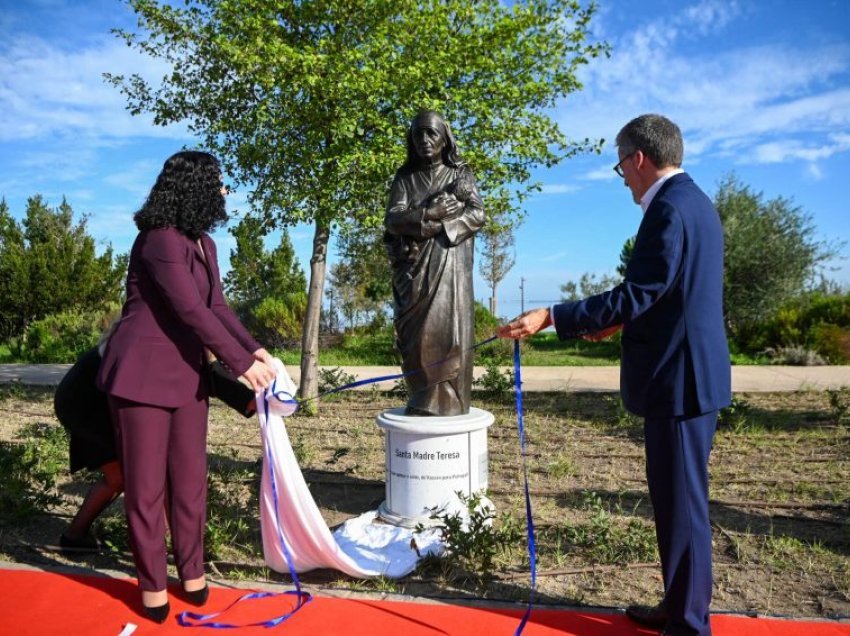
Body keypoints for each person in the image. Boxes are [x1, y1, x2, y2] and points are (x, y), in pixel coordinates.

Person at [498, 114, 731, 636]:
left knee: (685, 509)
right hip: (688, 377)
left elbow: (641, 290)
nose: (622, 175)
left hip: (680, 382)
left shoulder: (669, 209)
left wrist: (552, 315)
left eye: (620, 164)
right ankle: (679, 605)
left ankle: (690, 626)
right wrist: (619, 321)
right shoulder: (694, 202)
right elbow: (668, 292)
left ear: (638, 159)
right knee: (676, 504)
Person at [96, 150, 277, 623]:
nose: (224, 191)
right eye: (217, 182)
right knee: (146, 488)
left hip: (187, 379)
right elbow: (189, 311)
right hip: (140, 378)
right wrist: (239, 365)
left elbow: (216, 307)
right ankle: (153, 583)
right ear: (193, 186)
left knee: (192, 483)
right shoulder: (158, 240)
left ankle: (192, 572)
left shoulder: (204, 243)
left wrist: (254, 350)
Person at [384, 110, 485, 416]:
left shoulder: (460, 175)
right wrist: (429, 214)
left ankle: (449, 400)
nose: (424, 141)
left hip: (449, 270)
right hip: (413, 274)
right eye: (418, 135)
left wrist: (441, 228)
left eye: (431, 134)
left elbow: (478, 215)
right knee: (416, 342)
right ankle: (422, 398)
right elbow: (392, 219)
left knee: (446, 333)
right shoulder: (405, 178)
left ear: (445, 139)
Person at [54, 331, 122, 554]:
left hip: (83, 400)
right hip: (85, 405)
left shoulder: (130, 325)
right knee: (119, 477)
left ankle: (75, 535)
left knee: (119, 477)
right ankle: (74, 535)